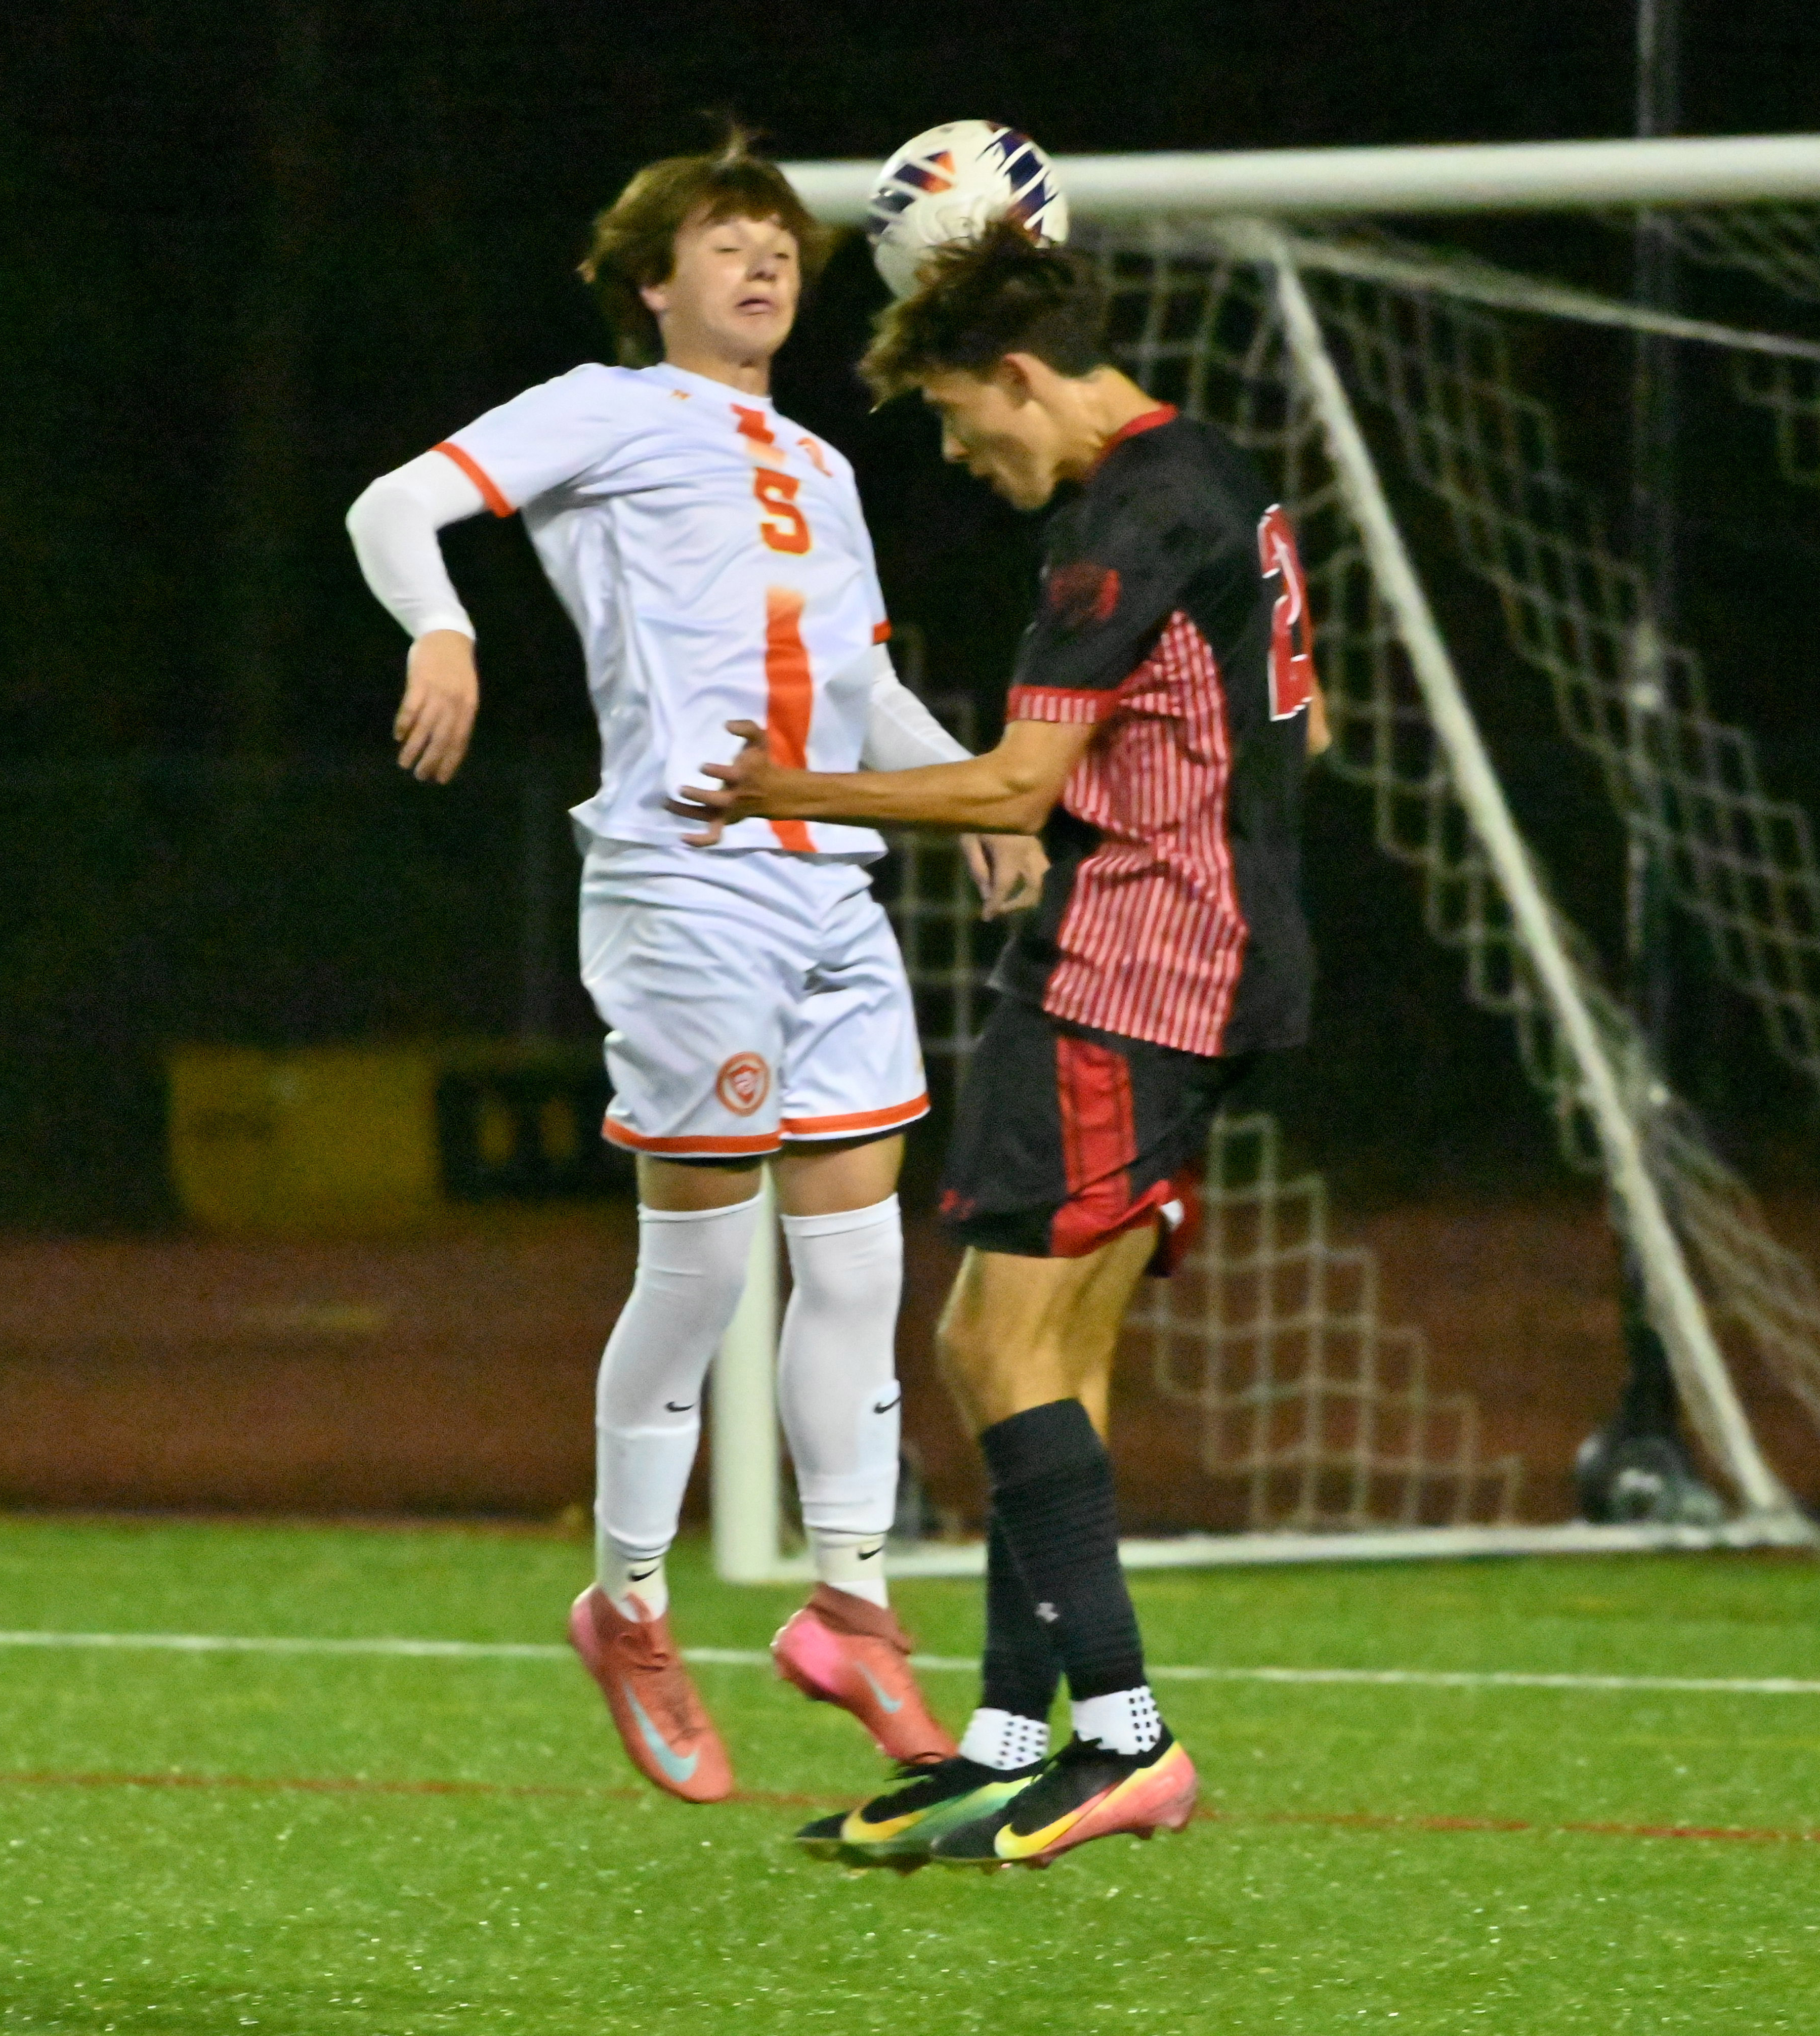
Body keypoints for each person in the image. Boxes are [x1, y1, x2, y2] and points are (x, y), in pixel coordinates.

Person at [343, 131, 1042, 1798]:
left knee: (860, 1265)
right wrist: (440, 626)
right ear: (651, 283)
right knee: (704, 1271)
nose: (761, 265)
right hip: (686, 881)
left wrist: (977, 799)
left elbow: (855, 687)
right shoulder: (611, 404)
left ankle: (852, 1608)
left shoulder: (822, 459)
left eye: (779, 247)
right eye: (723, 245)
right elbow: (398, 502)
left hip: (831, 886)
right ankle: (630, 1600)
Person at [671, 222, 1328, 1866]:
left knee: (990, 1353)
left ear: (1024, 375)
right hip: (1204, 945)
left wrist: (784, 792)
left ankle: (1123, 1737)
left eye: (970, 422)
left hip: (1134, 969)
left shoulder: (1122, 522)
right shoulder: (1209, 463)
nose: (972, 459)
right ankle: (1005, 1743)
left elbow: (1004, 789)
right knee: (1044, 1353)